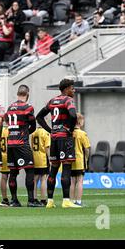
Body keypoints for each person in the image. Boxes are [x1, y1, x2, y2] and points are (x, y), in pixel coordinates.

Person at [36, 78, 80, 208]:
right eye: (72, 88)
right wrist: (70, 129)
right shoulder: (68, 100)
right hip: (64, 138)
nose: (74, 90)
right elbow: (73, 115)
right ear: (66, 89)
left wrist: (51, 130)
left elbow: (39, 117)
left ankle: (50, 201)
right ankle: (66, 200)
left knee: (53, 169)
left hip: (54, 138)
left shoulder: (52, 101)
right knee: (66, 168)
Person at [4, 85, 37, 207]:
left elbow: (7, 121)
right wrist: (26, 132)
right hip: (22, 143)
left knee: (13, 172)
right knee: (29, 170)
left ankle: (14, 200)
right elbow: (33, 124)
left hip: (10, 143)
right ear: (27, 95)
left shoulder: (10, 108)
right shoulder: (28, 107)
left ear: (17, 94)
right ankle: (31, 200)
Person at [71, 113, 90, 207]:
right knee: (80, 180)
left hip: (70, 159)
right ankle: (78, 201)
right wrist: (86, 158)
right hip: (79, 159)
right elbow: (86, 148)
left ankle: (71, 201)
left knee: (72, 181)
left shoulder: (69, 132)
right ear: (79, 121)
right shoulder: (82, 133)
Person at [31, 122, 51, 206]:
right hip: (43, 158)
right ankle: (43, 199)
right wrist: (50, 158)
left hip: (35, 157)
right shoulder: (46, 133)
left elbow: (32, 146)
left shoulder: (33, 132)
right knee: (43, 179)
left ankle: (34, 198)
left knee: (35, 179)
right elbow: (47, 147)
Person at [0, 122, 10, 205]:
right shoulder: (10, 130)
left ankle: (4, 198)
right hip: (10, 154)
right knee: (12, 176)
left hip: (2, 154)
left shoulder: (0, 130)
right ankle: (14, 197)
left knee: (3, 176)